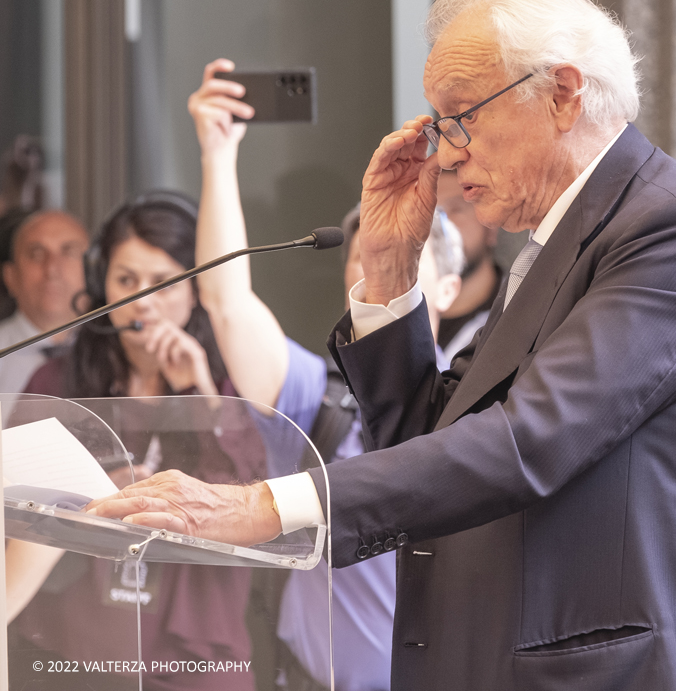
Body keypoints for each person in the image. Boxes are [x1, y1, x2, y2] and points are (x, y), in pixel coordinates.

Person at [91, 0, 676, 691]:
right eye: (438, 125)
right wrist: (389, 275)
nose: (446, 154)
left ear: (564, 94)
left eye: (463, 117)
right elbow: (432, 437)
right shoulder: (555, 242)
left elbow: (528, 440)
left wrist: (263, 505)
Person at [188, 57, 464, 691]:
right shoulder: (322, 395)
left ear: (448, 286)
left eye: (402, 261)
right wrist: (217, 156)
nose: (375, 276)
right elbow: (226, 303)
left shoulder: (483, 402)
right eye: (362, 265)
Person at [10, 193, 267, 691]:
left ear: (196, 289)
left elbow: (258, 498)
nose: (143, 300)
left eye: (164, 282)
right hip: (73, 647)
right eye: (126, 280)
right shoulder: (56, 377)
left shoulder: (233, 377)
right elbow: (15, 496)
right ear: (101, 284)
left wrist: (202, 392)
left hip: (194, 649)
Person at [0, 209, 89, 392]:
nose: (52, 269)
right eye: (37, 254)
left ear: (96, 272)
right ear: (10, 276)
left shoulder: (120, 353)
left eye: (69, 252)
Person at [436, 168, 499, 359]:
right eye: (429, 212)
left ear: (492, 228)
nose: (439, 225)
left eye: (456, 209)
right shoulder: (397, 314)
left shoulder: (520, 314)